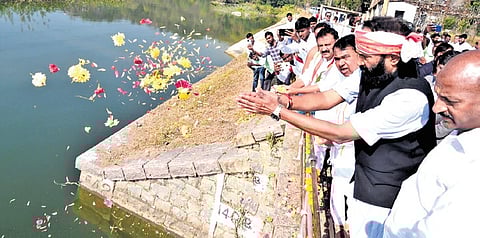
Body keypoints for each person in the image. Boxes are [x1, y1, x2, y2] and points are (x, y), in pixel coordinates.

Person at [237, 16, 436, 238]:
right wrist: (283, 100)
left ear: (393, 57)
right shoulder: (371, 72)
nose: (360, 61)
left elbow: (340, 133)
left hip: (387, 198)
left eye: (366, 56)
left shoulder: (410, 99)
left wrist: (277, 111)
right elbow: (328, 97)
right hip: (364, 180)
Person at [383, 50, 480, 238]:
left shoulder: (474, 169)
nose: (437, 107)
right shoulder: (462, 134)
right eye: (438, 95)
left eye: (450, 101)